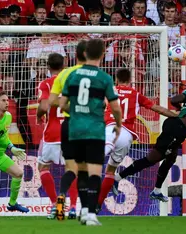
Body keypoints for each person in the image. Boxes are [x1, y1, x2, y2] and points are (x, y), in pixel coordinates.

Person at [59, 39, 122, 226]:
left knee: (82, 171)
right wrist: (118, 124)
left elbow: (62, 104)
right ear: (102, 54)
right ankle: (91, 214)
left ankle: (84, 210)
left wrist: (78, 111)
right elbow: (116, 108)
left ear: (85, 54)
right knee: (95, 172)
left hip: (75, 129)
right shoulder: (104, 78)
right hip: (94, 129)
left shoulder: (73, 75)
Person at [97, 68, 177, 211]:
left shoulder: (109, 90)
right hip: (126, 135)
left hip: (110, 130)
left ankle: (83, 200)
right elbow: (158, 109)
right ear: (130, 81)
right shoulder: (136, 94)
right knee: (110, 172)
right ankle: (98, 204)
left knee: (91, 162)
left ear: (116, 79)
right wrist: (175, 116)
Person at [47, 40, 87, 220]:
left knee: (70, 168)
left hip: (67, 125)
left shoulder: (63, 74)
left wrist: (69, 107)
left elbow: (53, 101)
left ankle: (61, 198)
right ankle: (77, 208)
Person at [36, 53, 78, 219]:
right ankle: (74, 207)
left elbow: (44, 105)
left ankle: (56, 206)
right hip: (72, 130)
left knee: (44, 167)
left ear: (48, 67)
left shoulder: (46, 83)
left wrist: (39, 114)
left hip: (53, 133)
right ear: (65, 64)